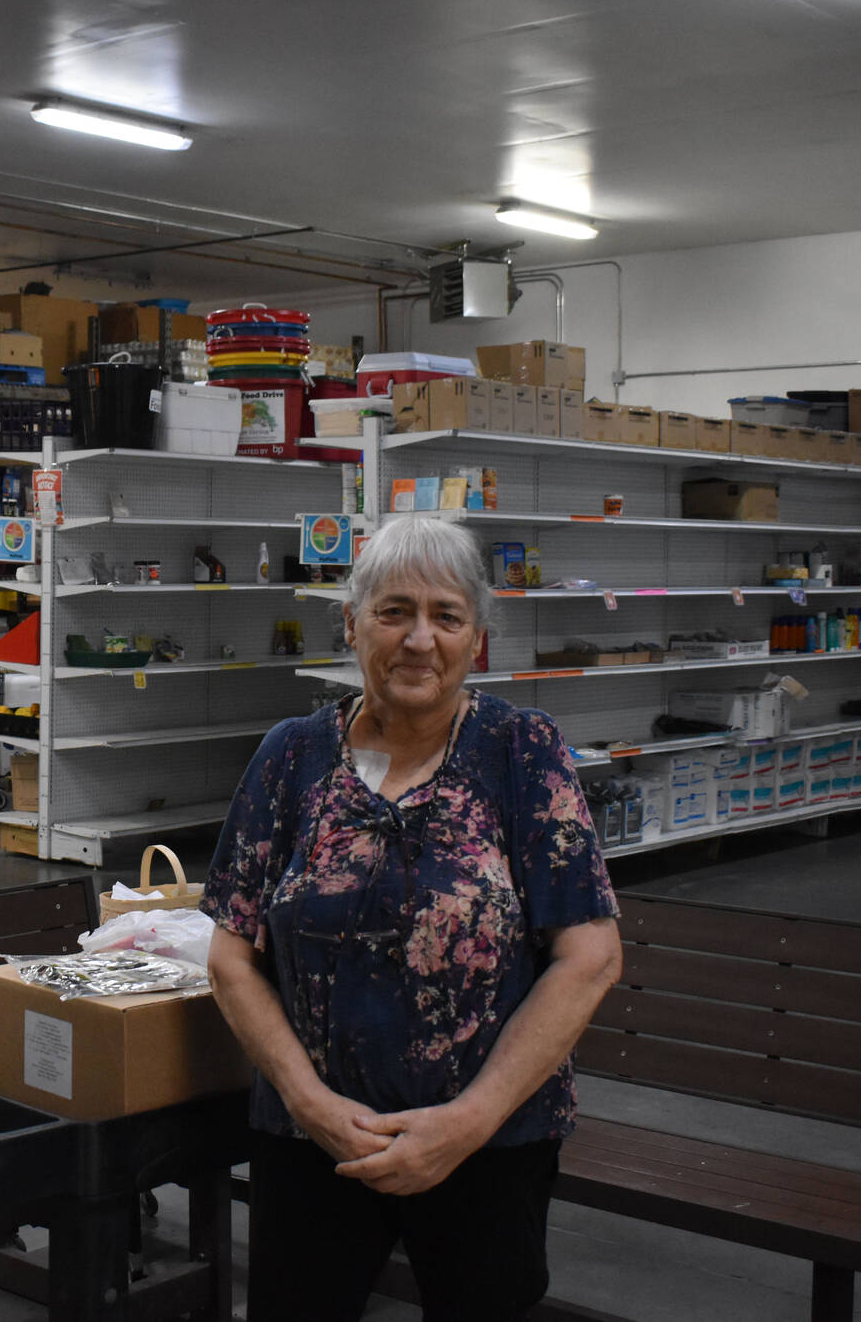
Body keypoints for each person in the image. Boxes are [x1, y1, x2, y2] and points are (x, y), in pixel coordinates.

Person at [203, 514, 621, 1321]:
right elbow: (229, 955)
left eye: (446, 615)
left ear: (477, 638)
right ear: (352, 624)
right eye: (394, 612)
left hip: (489, 1144)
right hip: (315, 1143)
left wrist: (467, 1122)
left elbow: (591, 958)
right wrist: (308, 1100)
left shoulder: (521, 752)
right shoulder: (291, 756)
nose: (419, 638)